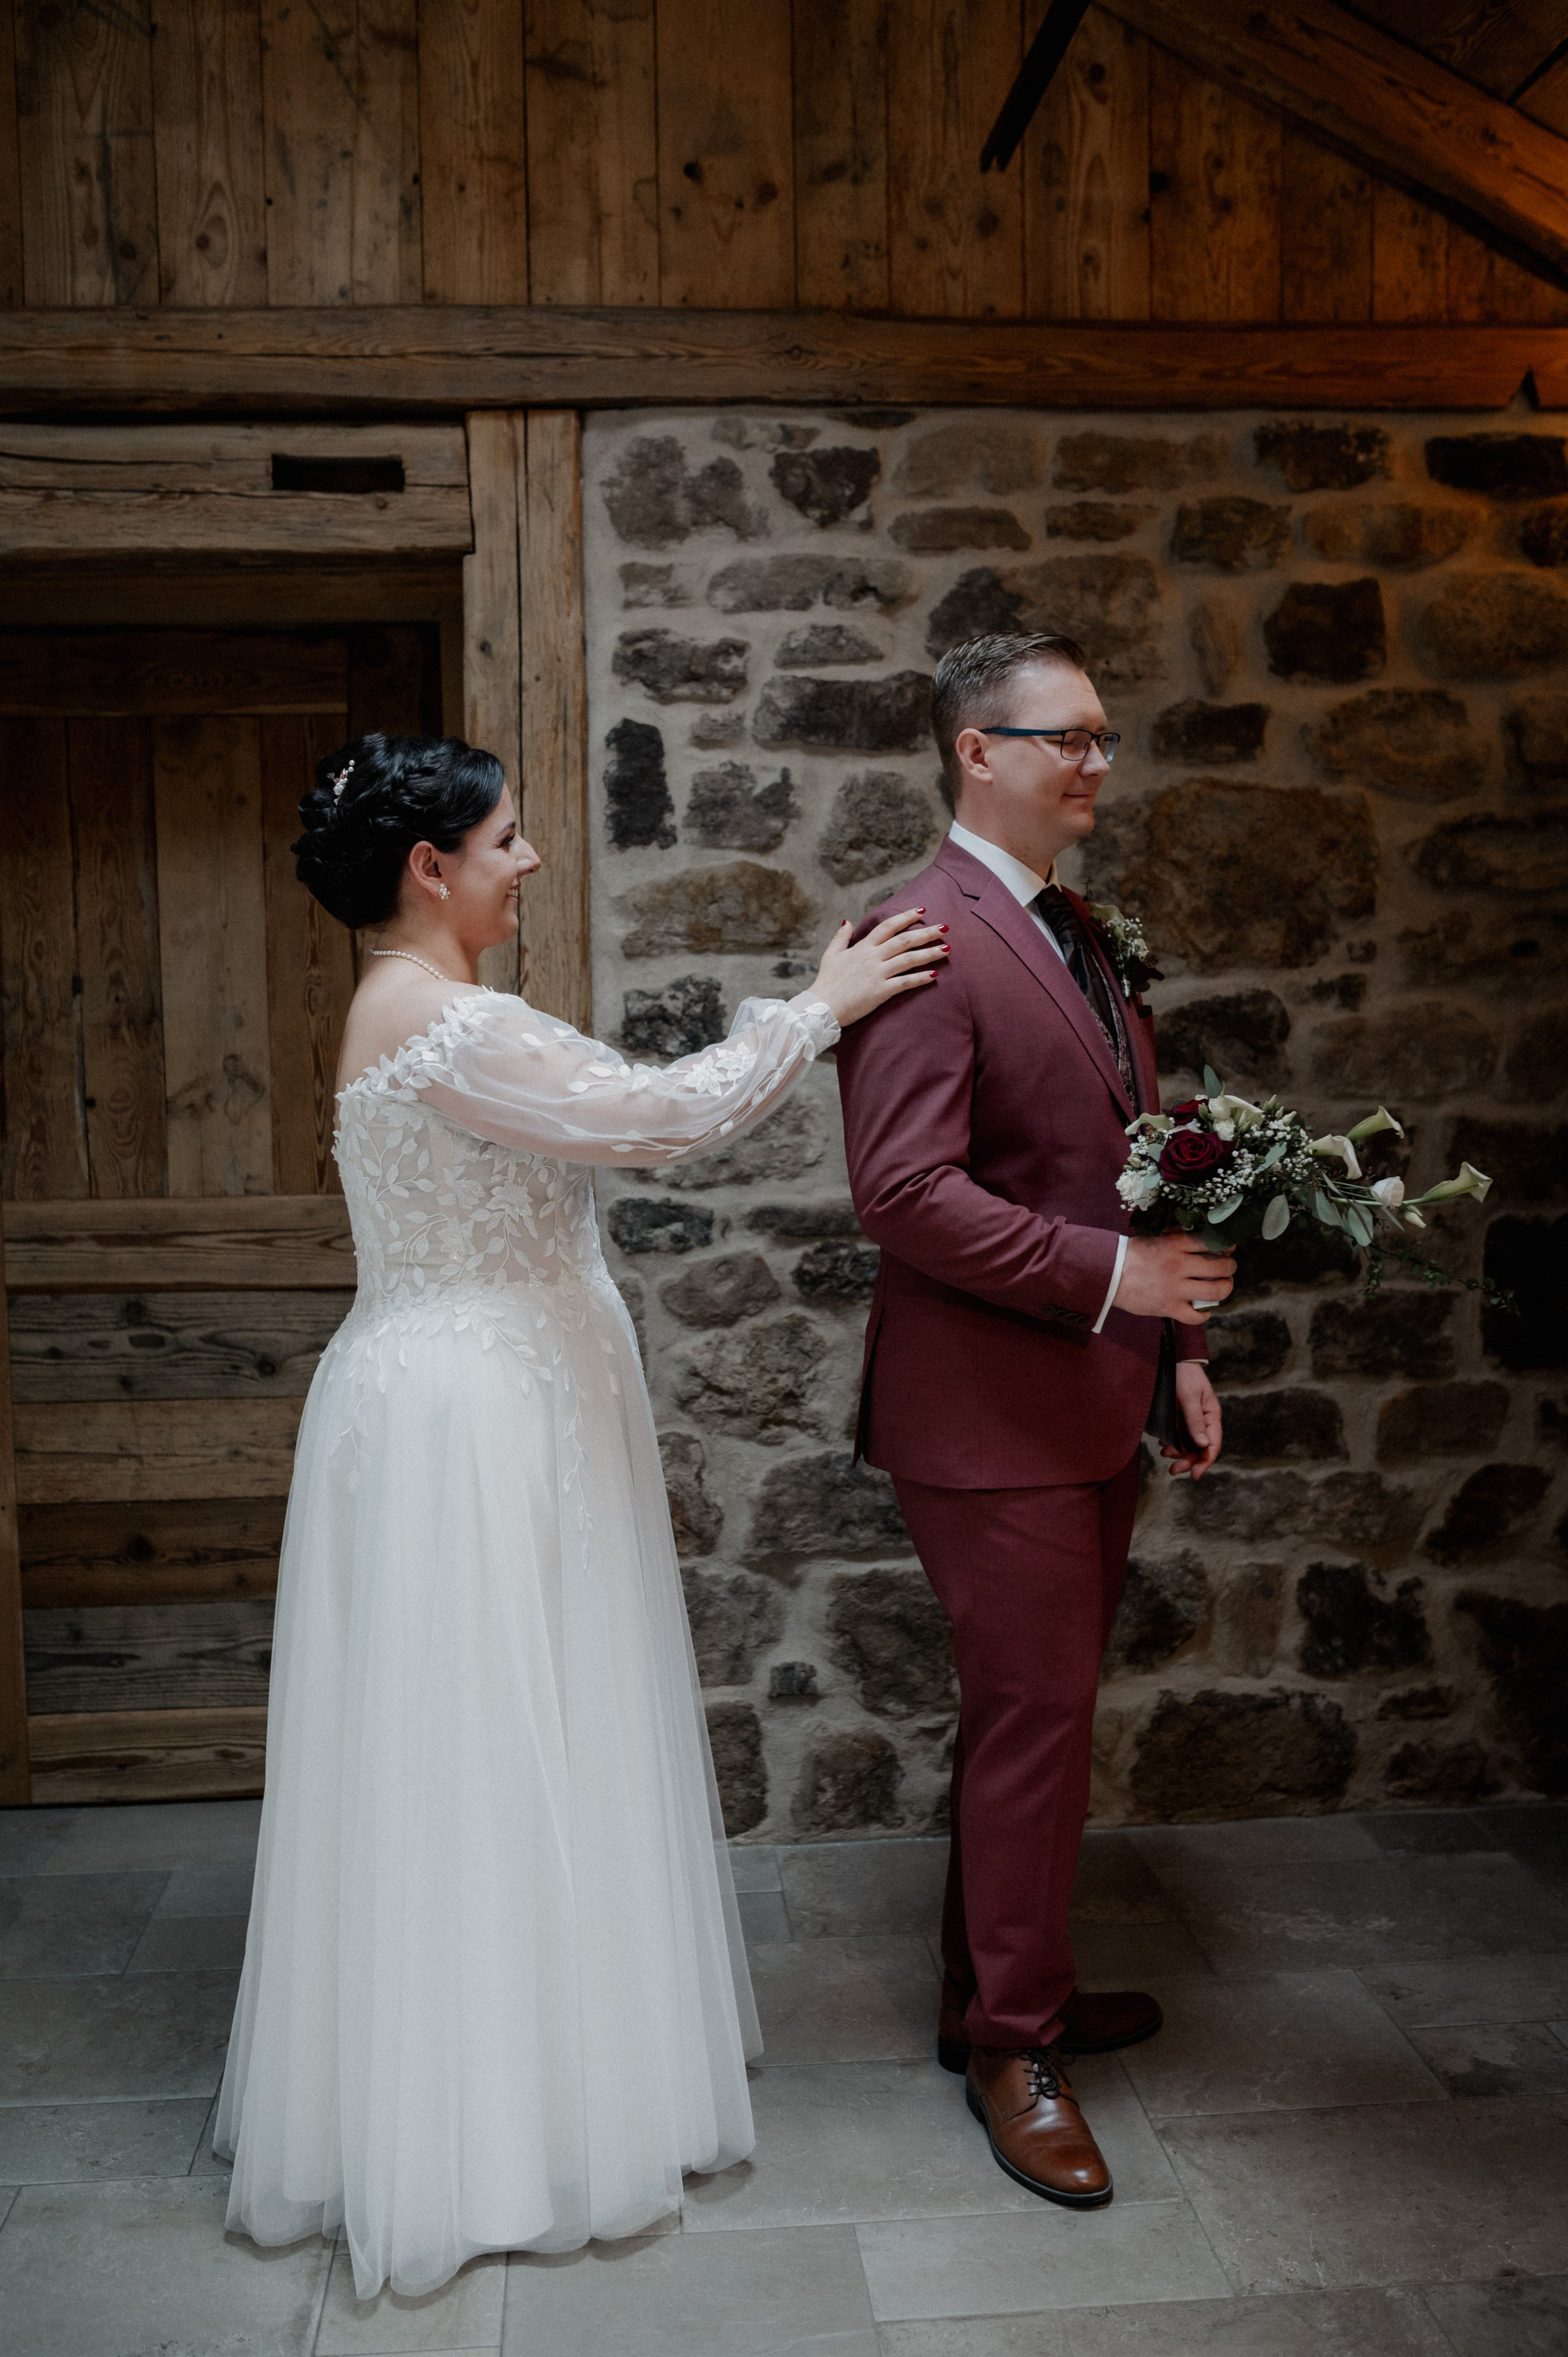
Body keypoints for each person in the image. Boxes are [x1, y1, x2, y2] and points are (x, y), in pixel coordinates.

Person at [215, 732, 947, 2298]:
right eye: (505, 839)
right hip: (471, 1419)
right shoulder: (438, 1019)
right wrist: (817, 1012)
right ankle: (480, 2133)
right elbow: (656, 1117)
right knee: (487, 1746)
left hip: (470, 1388)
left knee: (493, 1740)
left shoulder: (413, 1007)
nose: (530, 858)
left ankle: (515, 2080)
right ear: (430, 869)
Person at [833, 633, 1234, 2209]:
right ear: (971, 752)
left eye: (1103, 737)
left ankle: (991, 1998)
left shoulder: (1074, 929)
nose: (1094, 762)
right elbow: (904, 1196)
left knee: (1032, 1726)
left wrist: (1175, 1346)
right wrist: (1116, 1284)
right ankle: (1016, 2046)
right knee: (1032, 1729)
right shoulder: (920, 936)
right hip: (985, 1418)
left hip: (1092, 1397)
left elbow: (1124, 1164)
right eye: (1062, 737)